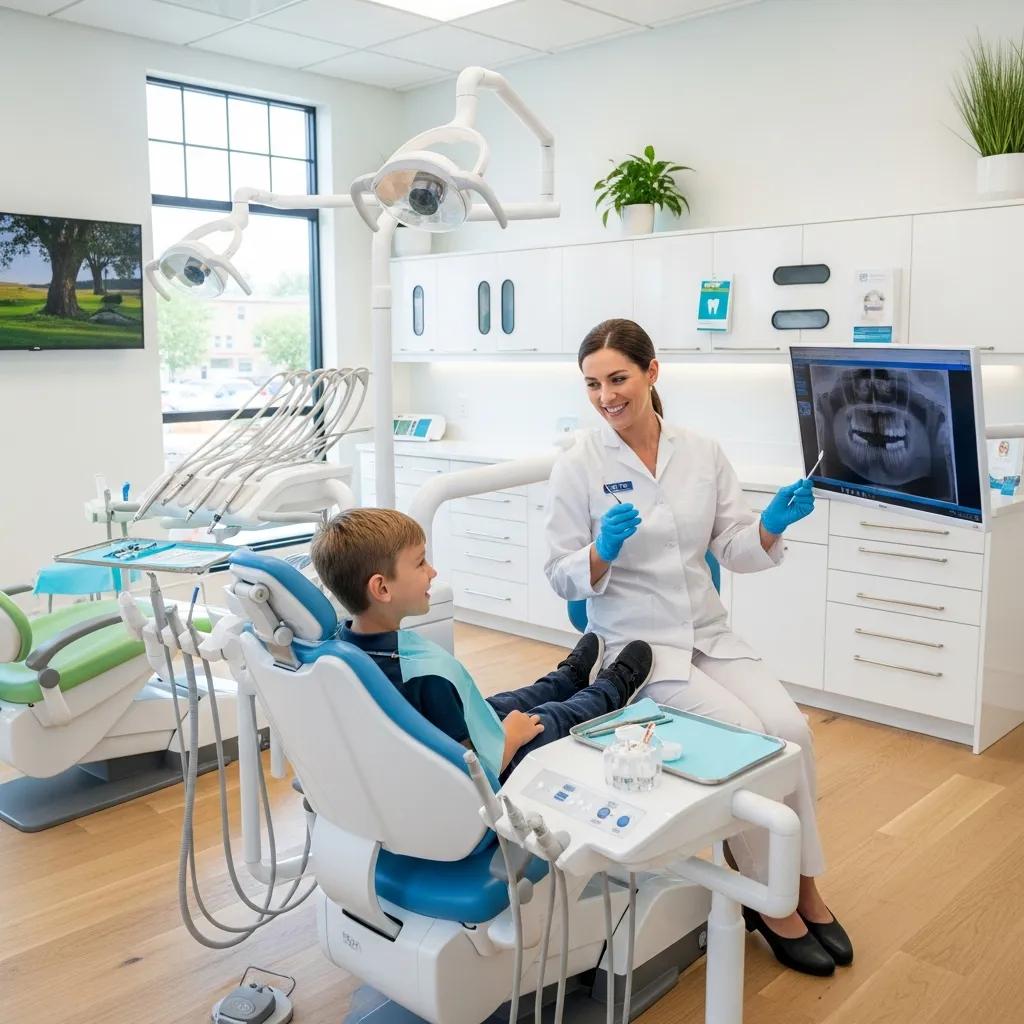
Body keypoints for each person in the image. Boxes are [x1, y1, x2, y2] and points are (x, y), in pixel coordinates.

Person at [544, 318, 852, 977]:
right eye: (593, 384)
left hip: (708, 632)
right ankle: (773, 906)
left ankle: (802, 884)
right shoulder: (580, 464)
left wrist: (769, 525)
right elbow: (558, 573)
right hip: (637, 646)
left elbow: (734, 546)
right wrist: (601, 551)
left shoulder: (702, 451)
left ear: (652, 372)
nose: (605, 396)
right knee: (747, 739)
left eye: (618, 378)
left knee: (789, 728)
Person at [310, 507, 653, 776]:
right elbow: (465, 773)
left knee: (511, 700)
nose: (432, 572)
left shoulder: (346, 647)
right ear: (382, 588)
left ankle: (569, 678)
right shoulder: (424, 678)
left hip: (453, 730)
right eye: (420, 563)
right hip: (491, 766)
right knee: (550, 715)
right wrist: (512, 737)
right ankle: (611, 690)